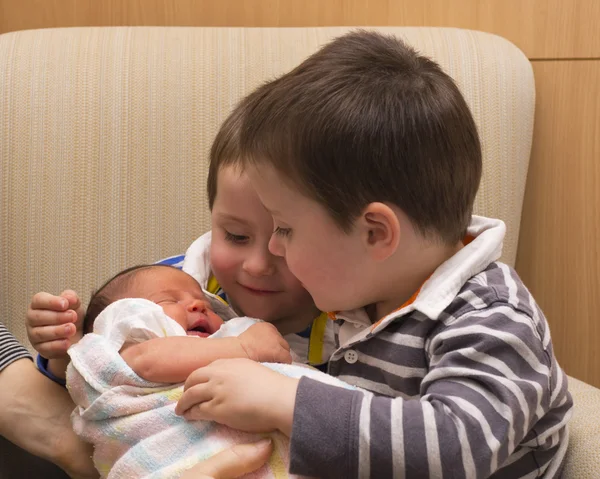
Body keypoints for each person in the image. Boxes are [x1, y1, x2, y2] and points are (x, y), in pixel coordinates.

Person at [175, 30, 573, 478]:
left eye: (285, 228)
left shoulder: (492, 318)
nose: (274, 247)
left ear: (375, 233)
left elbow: (453, 447)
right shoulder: (366, 291)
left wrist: (284, 400)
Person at [26, 103, 335, 381]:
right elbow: (98, 375)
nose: (257, 266)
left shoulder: (353, 317)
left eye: (284, 236)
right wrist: (66, 345)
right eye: (236, 236)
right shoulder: (168, 287)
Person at [67, 263, 352, 478]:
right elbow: (148, 362)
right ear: (119, 323)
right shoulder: (127, 352)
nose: (198, 304)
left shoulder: (226, 337)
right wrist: (246, 348)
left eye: (204, 301)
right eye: (167, 301)